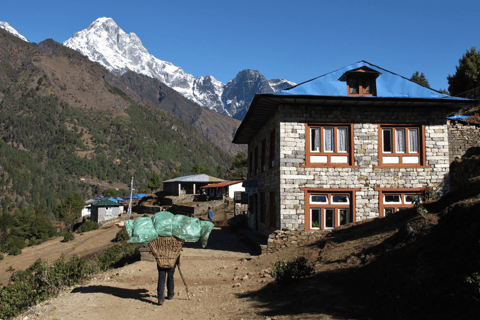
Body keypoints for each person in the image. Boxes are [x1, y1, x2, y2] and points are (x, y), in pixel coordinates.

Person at [115, 221, 179, 305]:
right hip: (172, 260)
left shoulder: (158, 237)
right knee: (170, 276)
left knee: (161, 278)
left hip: (161, 260)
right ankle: (170, 294)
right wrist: (178, 261)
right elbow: (177, 250)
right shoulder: (174, 238)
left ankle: (160, 299)